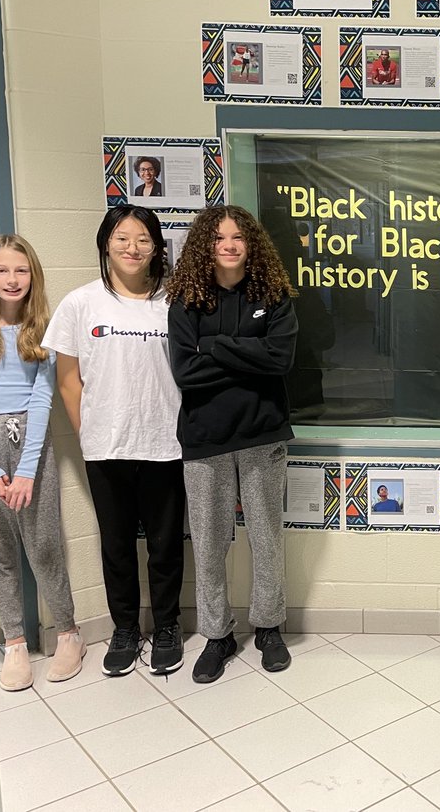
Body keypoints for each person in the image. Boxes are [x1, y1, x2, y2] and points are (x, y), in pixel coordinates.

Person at [43, 205, 186, 678]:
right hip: (105, 448)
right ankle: (125, 629)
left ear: (156, 247)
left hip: (165, 443)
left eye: (143, 239)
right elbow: (68, 380)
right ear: (106, 244)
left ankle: (167, 627)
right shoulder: (80, 304)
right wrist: (92, 434)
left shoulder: (174, 303)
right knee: (117, 545)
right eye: (122, 238)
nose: (132, 247)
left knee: (165, 545)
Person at [166, 205, 299, 684]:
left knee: (266, 537)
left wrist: (215, 346)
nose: (229, 244)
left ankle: (268, 627)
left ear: (251, 244)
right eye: (219, 237)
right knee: (209, 542)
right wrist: (249, 353)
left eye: (238, 237)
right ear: (206, 244)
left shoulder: (275, 295)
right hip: (205, 439)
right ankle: (217, 635)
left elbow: (280, 358)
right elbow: (185, 372)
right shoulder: (184, 301)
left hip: (263, 434)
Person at [0, 235, 83, 691]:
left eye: (21, 270)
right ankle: (14, 640)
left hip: (30, 442)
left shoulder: (44, 333)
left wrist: (28, 470)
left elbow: (41, 400)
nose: (12, 279)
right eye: (2, 270)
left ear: (32, 275)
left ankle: (69, 634)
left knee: (44, 545)